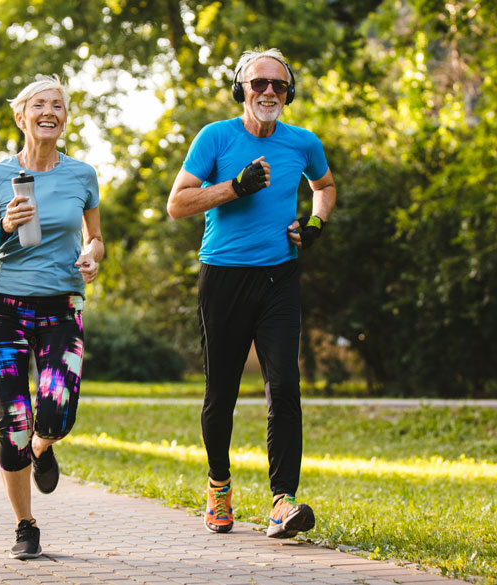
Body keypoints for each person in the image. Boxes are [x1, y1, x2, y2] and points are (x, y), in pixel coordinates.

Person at [166, 48, 336, 539]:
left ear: (288, 94)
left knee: (284, 387)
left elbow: (324, 186)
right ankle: (219, 487)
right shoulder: (215, 137)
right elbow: (177, 204)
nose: (268, 92)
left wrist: (317, 223)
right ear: (241, 88)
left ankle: (282, 501)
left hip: (279, 277)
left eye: (278, 86)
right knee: (221, 393)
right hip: (223, 277)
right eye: (258, 83)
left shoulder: (303, 143)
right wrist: (233, 188)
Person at [0, 74, 103, 560]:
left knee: (56, 413)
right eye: (39, 105)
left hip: (62, 306)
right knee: (13, 423)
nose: (49, 112)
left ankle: (43, 448)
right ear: (22, 117)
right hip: (5, 309)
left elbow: (95, 237)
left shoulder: (82, 175)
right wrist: (2, 229)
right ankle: (25, 525)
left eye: (57, 105)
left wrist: (93, 256)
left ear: (65, 118)